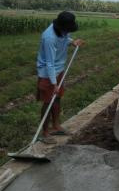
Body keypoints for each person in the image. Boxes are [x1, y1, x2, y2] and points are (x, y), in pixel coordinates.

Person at [36, 11, 84, 143]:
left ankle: (56, 126)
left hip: (59, 69)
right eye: (67, 30)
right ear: (61, 26)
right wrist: (53, 83)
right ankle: (45, 133)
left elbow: (63, 39)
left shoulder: (63, 30)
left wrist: (73, 42)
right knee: (48, 102)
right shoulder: (49, 37)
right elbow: (49, 63)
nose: (68, 31)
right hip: (47, 73)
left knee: (57, 98)